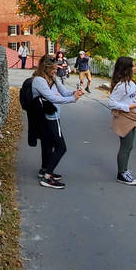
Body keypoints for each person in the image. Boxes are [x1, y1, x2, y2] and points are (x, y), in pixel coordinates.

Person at [31, 53, 83, 189]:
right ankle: (47, 177)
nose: (55, 71)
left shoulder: (53, 78)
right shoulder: (39, 81)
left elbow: (64, 92)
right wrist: (73, 99)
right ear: (45, 68)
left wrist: (74, 93)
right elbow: (52, 98)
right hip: (48, 118)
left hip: (52, 116)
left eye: (56, 68)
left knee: (49, 144)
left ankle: (45, 170)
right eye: (53, 68)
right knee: (61, 147)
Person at [108, 56, 136, 186]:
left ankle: (125, 169)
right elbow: (111, 102)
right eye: (133, 66)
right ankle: (121, 173)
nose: (135, 68)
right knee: (125, 146)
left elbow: (130, 98)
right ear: (126, 68)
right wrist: (129, 106)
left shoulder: (131, 83)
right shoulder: (121, 86)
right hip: (125, 117)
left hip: (132, 116)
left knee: (129, 146)